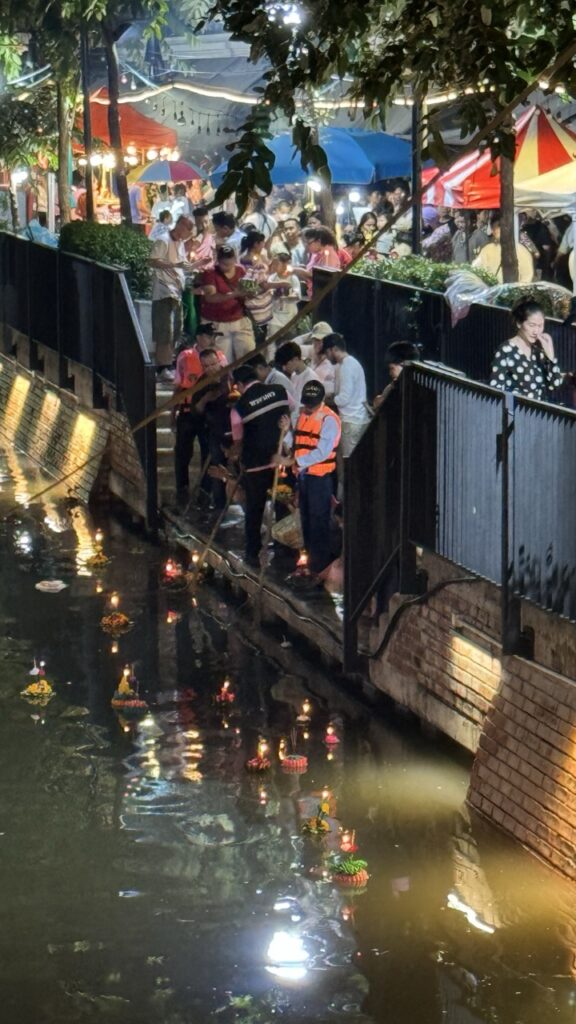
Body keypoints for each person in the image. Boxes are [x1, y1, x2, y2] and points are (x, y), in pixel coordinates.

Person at [273, 380, 341, 583]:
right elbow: (298, 442)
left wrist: (293, 460)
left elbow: (322, 452)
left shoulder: (330, 420)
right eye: (306, 404)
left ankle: (318, 568)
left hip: (319, 478)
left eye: (311, 404)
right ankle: (311, 564)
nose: (308, 408)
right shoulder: (302, 415)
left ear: (320, 401)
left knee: (319, 522)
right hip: (304, 476)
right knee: (307, 522)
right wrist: (286, 433)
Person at [230, 364, 290, 567]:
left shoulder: (239, 408)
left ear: (238, 384)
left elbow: (238, 442)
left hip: (255, 465)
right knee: (283, 505)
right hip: (280, 461)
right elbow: (290, 411)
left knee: (254, 510)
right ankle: (286, 550)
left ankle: (252, 553)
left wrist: (231, 455)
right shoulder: (280, 391)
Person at [149, 214, 197, 380]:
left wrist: (196, 265)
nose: (189, 233)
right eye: (188, 229)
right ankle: (162, 367)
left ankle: (168, 363)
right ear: (181, 226)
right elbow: (153, 261)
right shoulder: (163, 240)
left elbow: (182, 264)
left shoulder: (181, 243)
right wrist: (175, 265)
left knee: (175, 330)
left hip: (176, 291)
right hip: (163, 292)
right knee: (164, 331)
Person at [490, 300, 564, 400]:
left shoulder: (538, 352)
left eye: (540, 326)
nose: (536, 331)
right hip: (516, 411)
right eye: (531, 325)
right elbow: (495, 388)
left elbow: (556, 384)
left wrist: (550, 355)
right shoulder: (505, 350)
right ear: (519, 323)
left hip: (538, 411)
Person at [198, 244, 255, 362]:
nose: (228, 267)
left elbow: (247, 291)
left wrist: (250, 292)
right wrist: (234, 294)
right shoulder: (210, 273)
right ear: (218, 261)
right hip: (218, 323)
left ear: (235, 259)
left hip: (239, 320)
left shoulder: (240, 270)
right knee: (223, 359)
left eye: (231, 263)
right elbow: (210, 297)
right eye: (224, 264)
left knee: (247, 354)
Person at [320, 332, 369, 458]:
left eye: (327, 352)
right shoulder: (348, 364)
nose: (326, 356)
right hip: (355, 420)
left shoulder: (347, 366)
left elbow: (344, 399)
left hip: (351, 421)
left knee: (349, 461)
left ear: (334, 349)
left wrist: (326, 399)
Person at [473, 212, 534, 283]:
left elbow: (527, 277)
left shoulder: (521, 250)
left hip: (513, 292)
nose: (497, 230)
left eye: (500, 226)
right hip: (490, 292)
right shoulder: (487, 249)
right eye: (494, 227)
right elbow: (476, 269)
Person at [239, 231, 275, 345]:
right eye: (262, 243)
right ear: (256, 244)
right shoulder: (248, 261)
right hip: (255, 302)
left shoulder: (260, 256)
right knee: (258, 335)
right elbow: (254, 283)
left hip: (263, 302)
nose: (263, 246)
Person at [275, 340, 320, 422]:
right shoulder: (294, 375)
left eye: (286, 364)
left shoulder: (311, 378)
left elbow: (313, 408)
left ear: (295, 359)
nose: (284, 368)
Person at [294, 227, 342, 297]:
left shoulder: (328, 254)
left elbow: (323, 277)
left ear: (318, 241)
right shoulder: (316, 254)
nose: (307, 246)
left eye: (309, 243)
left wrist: (298, 270)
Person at [373, 341, 422, 409]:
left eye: (392, 368)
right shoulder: (393, 386)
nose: (390, 373)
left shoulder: (418, 391)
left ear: (403, 365)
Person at [268, 253, 301, 338]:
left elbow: (297, 294)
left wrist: (287, 297)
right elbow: (269, 291)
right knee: (272, 343)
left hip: (289, 317)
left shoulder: (293, 278)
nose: (274, 266)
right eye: (274, 263)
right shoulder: (272, 278)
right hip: (274, 318)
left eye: (277, 264)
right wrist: (274, 293)